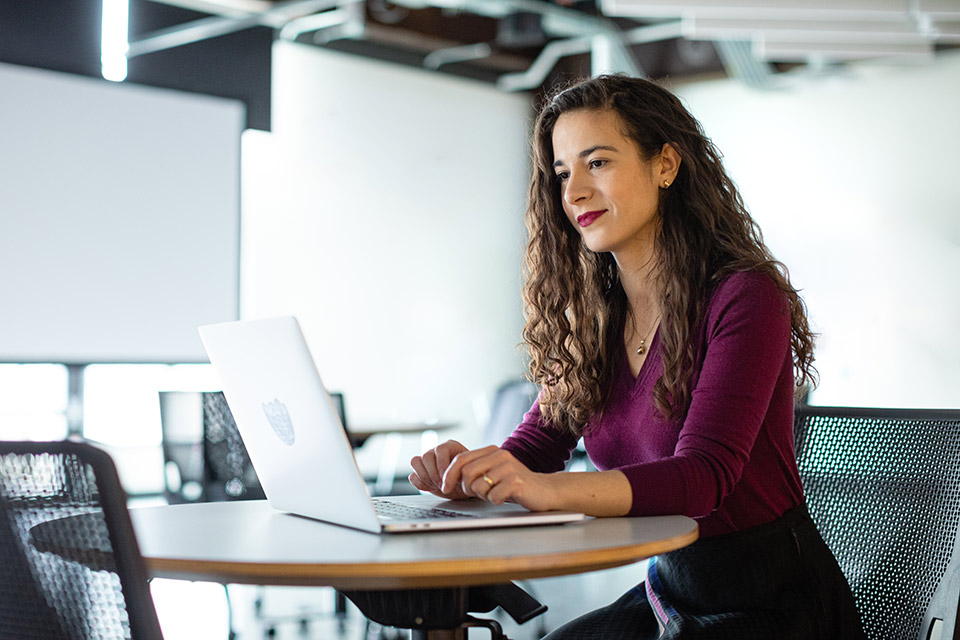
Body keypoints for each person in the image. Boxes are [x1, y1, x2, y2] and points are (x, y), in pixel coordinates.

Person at [409, 74, 865, 638]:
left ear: (665, 165)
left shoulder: (745, 296)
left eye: (597, 163)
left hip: (771, 602)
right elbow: (537, 448)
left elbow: (704, 480)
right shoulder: (595, 316)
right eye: (562, 172)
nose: (573, 192)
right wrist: (477, 475)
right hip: (670, 592)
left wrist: (545, 492)